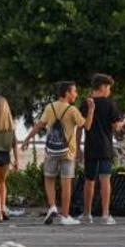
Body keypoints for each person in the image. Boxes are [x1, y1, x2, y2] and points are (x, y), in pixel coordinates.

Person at [21, 81, 94, 225]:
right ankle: (65, 216)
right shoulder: (72, 110)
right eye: (74, 91)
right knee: (66, 183)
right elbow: (87, 126)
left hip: (51, 150)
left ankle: (53, 206)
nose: (76, 94)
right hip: (68, 152)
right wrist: (91, 109)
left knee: (49, 178)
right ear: (67, 93)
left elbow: (40, 125)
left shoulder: (50, 107)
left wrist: (27, 139)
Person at [77, 73, 125, 225]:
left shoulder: (85, 104)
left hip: (90, 147)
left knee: (89, 180)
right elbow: (116, 127)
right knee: (105, 180)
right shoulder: (110, 104)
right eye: (109, 88)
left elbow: (80, 127)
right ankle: (105, 214)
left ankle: (87, 213)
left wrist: (78, 146)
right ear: (103, 87)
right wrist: (123, 122)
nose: (109, 91)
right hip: (106, 147)